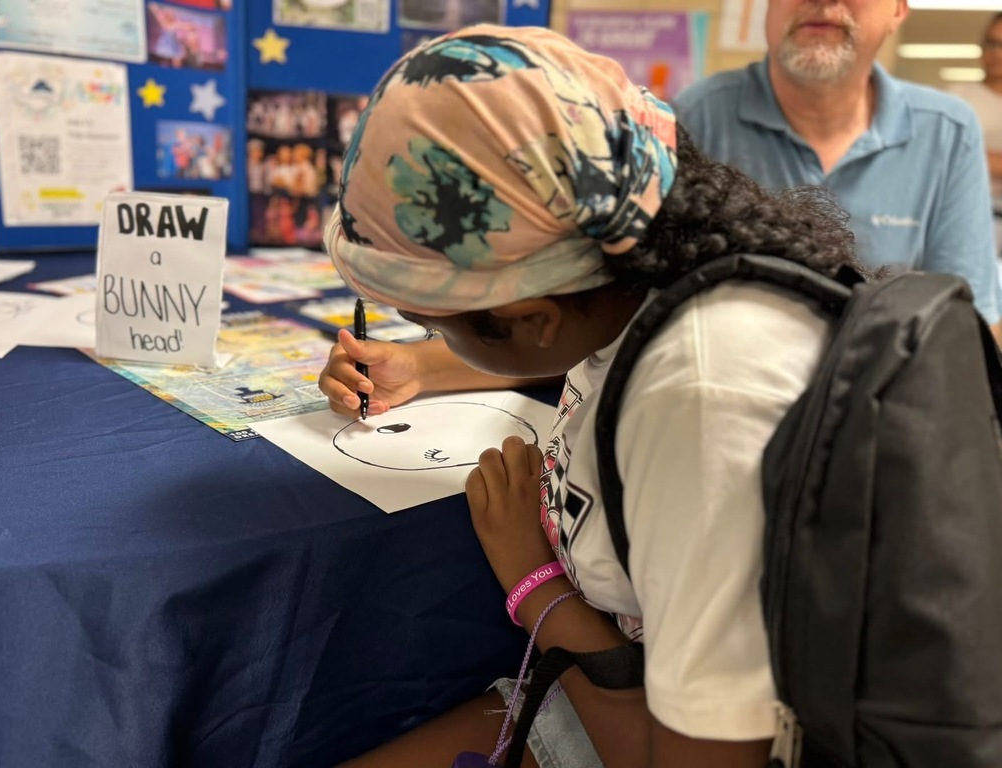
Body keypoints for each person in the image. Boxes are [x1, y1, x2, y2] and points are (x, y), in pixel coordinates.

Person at [319, 25, 865, 768]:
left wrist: (533, 583)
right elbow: (582, 342)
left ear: (531, 316)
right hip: (622, 687)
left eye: (430, 326)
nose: (430, 339)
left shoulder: (703, 404)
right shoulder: (647, 270)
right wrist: (422, 366)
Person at [673, 0, 1002, 345]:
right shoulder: (697, 118)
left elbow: (969, 323)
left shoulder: (947, 132)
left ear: (898, 10)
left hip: (884, 386)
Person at [949, 12, 1002, 252]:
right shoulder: (956, 97)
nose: (996, 52)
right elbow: (945, 156)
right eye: (990, 43)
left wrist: (978, 156)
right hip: (965, 219)